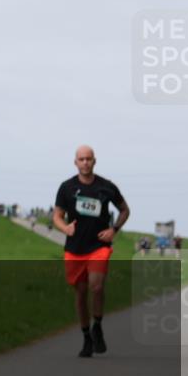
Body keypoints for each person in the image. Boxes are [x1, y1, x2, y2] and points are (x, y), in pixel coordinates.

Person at [53, 145, 130, 358]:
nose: (85, 162)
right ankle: (86, 336)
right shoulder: (66, 187)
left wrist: (114, 229)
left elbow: (125, 209)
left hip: (99, 246)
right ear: (75, 162)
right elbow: (57, 215)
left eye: (88, 159)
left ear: (94, 161)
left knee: (96, 286)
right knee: (80, 293)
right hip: (75, 248)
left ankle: (98, 325)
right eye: (81, 159)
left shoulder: (106, 187)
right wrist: (65, 228)